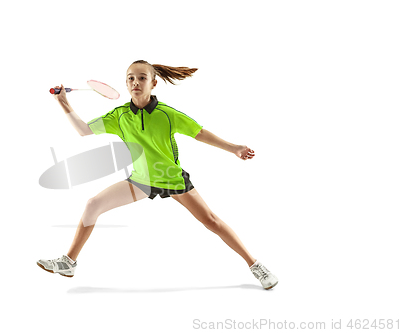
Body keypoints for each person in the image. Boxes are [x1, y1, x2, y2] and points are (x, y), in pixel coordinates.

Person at [37, 60, 278, 290]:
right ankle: (69, 262)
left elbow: (199, 133)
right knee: (92, 205)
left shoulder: (166, 114)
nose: (135, 82)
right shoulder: (119, 116)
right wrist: (63, 102)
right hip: (141, 180)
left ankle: (255, 265)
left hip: (171, 178)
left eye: (142, 78)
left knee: (211, 221)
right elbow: (83, 130)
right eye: (130, 78)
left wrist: (234, 148)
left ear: (153, 83)